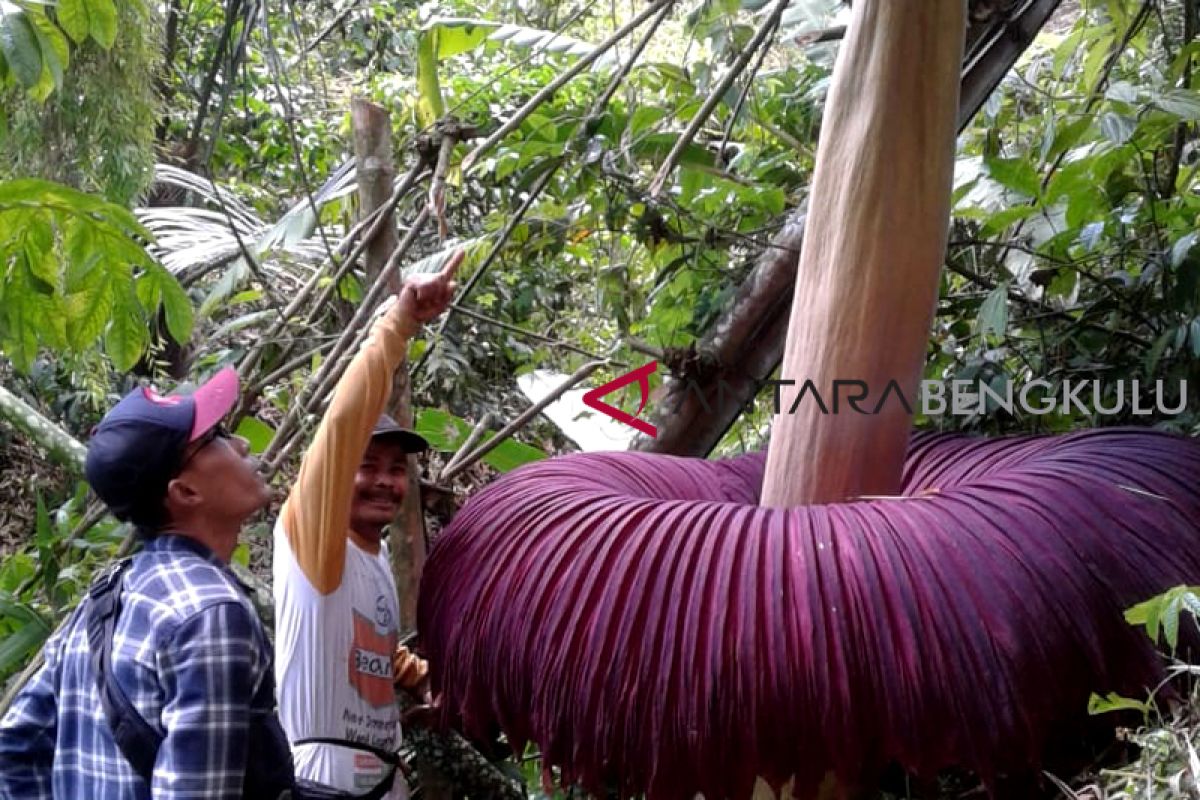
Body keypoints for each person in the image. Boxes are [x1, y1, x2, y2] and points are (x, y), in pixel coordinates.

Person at [0, 366, 290, 799]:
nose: (243, 443)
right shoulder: (212, 615)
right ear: (185, 492)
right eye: (217, 438)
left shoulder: (105, 599)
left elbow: (14, 749)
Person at [273, 253, 462, 800]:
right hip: (320, 778)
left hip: (383, 779)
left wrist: (419, 676)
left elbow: (368, 645)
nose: (385, 482)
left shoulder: (372, 555)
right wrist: (401, 323)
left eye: (396, 470)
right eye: (367, 465)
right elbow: (342, 423)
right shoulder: (316, 540)